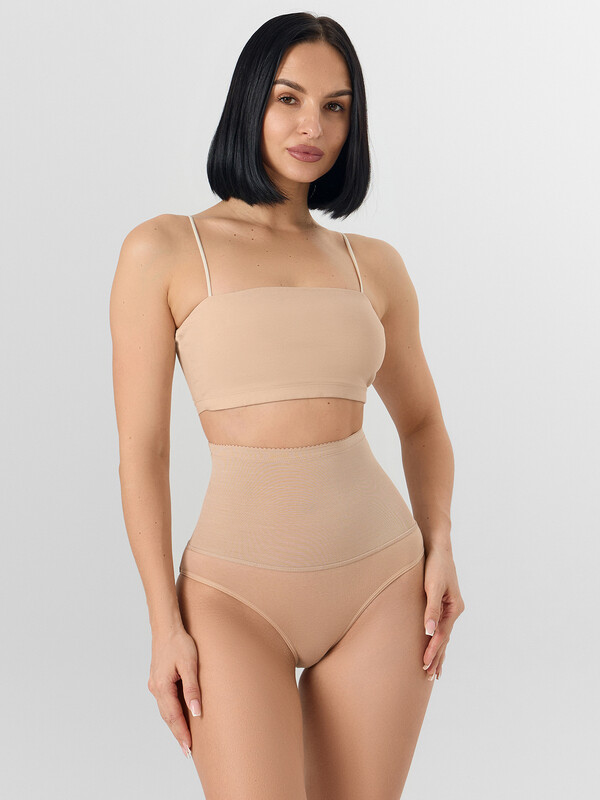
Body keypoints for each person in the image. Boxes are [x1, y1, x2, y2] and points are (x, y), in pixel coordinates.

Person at [110, 11, 464, 799]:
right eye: (289, 98)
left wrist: (439, 542)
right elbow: (143, 452)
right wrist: (164, 624)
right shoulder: (164, 249)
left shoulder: (373, 264)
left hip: (383, 584)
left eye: (336, 107)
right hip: (233, 599)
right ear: (250, 101)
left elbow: (422, 423)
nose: (314, 126)